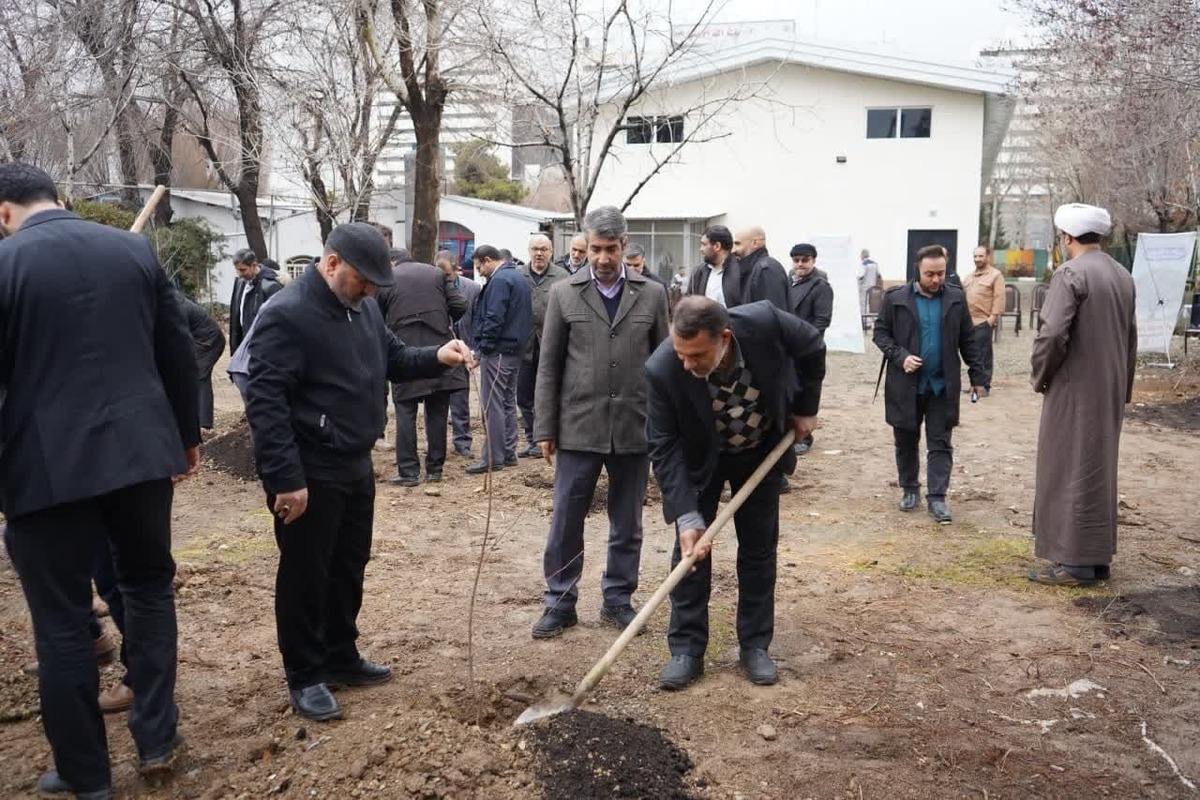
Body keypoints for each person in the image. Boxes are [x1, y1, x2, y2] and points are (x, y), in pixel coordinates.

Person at [0, 162, 200, 797]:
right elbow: (176, 346)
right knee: (148, 589)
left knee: (60, 622)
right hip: (140, 457)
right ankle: (156, 737)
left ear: (3, 212)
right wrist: (186, 437)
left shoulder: (5, 267)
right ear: (55, 198)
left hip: (41, 467)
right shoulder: (132, 249)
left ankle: (86, 777)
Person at [243, 222, 473, 722]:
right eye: (362, 280)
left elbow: (392, 357)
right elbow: (265, 403)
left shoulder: (362, 307)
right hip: (309, 469)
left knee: (349, 564)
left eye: (374, 283)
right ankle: (305, 674)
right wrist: (286, 479)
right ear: (331, 264)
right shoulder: (286, 315)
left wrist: (436, 355)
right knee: (306, 573)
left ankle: (340, 654)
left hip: (354, 462)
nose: (370, 290)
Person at [647, 297, 826, 690]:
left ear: (723, 338)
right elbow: (662, 445)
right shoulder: (663, 368)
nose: (687, 365)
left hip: (759, 449)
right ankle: (687, 650)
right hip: (700, 459)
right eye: (681, 354)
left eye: (696, 355)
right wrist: (688, 517)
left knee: (759, 549)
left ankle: (755, 646)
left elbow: (812, 345)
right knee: (691, 554)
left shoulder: (765, 322)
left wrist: (806, 408)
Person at [531, 207, 670, 639]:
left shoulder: (651, 294)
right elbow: (548, 365)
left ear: (624, 246)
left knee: (627, 522)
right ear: (585, 246)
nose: (603, 258)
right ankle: (560, 601)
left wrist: (665, 426)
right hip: (578, 427)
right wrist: (545, 428)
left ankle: (617, 600)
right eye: (595, 249)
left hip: (634, 426)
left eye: (611, 249)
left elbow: (665, 362)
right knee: (566, 519)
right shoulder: (563, 293)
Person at [1028, 204, 1136, 587]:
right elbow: (1130, 338)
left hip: (1074, 389)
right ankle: (1095, 558)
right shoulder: (1122, 274)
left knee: (1066, 468)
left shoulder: (1070, 273)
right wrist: (1123, 386)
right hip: (1108, 388)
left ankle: (1072, 563)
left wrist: (1040, 375)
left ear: (1067, 238)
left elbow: (1053, 333)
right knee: (1097, 468)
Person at [873, 245, 984, 524]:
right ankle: (909, 489)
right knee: (906, 440)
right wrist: (901, 357)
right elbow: (880, 333)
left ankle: (937, 498)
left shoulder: (956, 299)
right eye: (930, 274)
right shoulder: (896, 298)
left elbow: (968, 339)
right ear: (918, 271)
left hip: (941, 387)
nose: (936, 279)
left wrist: (978, 376)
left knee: (940, 443)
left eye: (941, 273)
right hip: (905, 385)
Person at [375, 251, 468, 486]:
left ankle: (408, 472)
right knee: (437, 411)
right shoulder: (437, 273)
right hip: (439, 349)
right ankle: (435, 470)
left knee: (405, 412)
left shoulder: (388, 277)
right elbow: (460, 304)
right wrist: (442, 322)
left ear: (392, 262)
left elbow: (373, 316)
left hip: (402, 350)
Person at [466, 245, 533, 474]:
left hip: (499, 352)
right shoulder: (519, 277)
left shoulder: (500, 281)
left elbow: (494, 317)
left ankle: (493, 458)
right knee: (506, 402)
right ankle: (508, 451)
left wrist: (481, 350)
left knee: (492, 404)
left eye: (478, 267)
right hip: (515, 351)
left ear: (487, 260)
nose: (479, 272)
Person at [517, 235, 571, 458]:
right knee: (524, 395)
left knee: (551, 392)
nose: (539, 254)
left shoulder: (562, 277)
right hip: (524, 344)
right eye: (535, 249)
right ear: (529, 251)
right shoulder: (518, 276)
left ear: (551, 252)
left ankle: (551, 436)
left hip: (553, 343)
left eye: (543, 249)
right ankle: (532, 438)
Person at [787, 243, 833, 454]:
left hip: (807, 348)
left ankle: (805, 437)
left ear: (813, 261)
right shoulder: (787, 282)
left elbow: (822, 320)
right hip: (787, 346)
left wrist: (805, 343)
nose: (800, 264)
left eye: (805, 260)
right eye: (796, 260)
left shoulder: (820, 286)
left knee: (805, 392)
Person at [437, 250, 481, 458]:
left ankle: (462, 441)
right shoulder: (430, 288)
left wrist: (474, 349)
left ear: (457, 270)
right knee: (437, 398)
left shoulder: (472, 289)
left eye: (447, 275)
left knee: (460, 397)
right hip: (438, 349)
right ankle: (437, 443)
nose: (443, 279)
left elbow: (477, 320)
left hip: (463, 348)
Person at [178, 291, 226, 432]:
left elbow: (179, 335)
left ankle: (204, 424)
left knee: (200, 377)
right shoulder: (170, 300)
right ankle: (196, 418)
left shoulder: (176, 306)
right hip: (201, 339)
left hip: (208, 341)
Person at [963, 246, 1006, 396]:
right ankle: (974, 384)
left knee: (983, 355)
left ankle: (984, 386)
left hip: (983, 321)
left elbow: (999, 298)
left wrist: (992, 318)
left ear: (988, 257)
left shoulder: (995, 275)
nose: (977, 259)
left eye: (981, 256)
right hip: (968, 322)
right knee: (971, 355)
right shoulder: (969, 277)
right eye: (975, 256)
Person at [228, 248, 283, 354]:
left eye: (243, 270)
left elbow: (276, 325)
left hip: (261, 351)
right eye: (237, 270)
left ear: (254, 265)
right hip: (242, 348)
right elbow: (235, 318)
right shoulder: (240, 283)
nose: (239, 274)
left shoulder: (270, 287)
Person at [687, 225, 739, 306]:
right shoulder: (698, 273)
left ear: (717, 246)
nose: (701, 249)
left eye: (704, 244)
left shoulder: (740, 272)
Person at [858, 249, 879, 325]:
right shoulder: (875, 264)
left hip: (864, 287)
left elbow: (861, 276)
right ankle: (870, 322)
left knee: (863, 304)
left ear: (862, 255)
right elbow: (878, 275)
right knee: (871, 305)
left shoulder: (864, 264)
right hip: (873, 287)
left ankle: (864, 323)